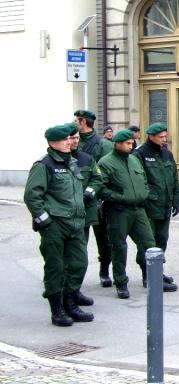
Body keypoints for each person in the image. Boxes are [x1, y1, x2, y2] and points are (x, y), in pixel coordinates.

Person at [24, 124, 95, 326]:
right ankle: (57, 311)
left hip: (75, 223)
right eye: (65, 139)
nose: (69, 142)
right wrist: (45, 220)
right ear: (52, 143)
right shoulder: (44, 165)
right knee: (55, 268)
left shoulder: (71, 162)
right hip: (55, 225)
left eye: (70, 139)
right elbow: (32, 196)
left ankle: (70, 303)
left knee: (79, 264)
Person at [92, 129, 155, 299]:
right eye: (127, 143)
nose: (131, 145)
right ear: (118, 144)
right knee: (119, 247)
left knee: (149, 243)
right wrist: (118, 197)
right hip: (119, 210)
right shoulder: (106, 162)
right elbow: (100, 187)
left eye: (132, 142)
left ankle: (152, 277)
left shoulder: (134, 160)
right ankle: (121, 282)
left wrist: (145, 193)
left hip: (138, 209)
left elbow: (143, 181)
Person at [132, 123, 179, 292]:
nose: (164, 139)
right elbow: (139, 180)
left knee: (161, 240)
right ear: (151, 136)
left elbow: (174, 177)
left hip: (165, 205)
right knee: (147, 242)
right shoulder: (140, 154)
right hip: (149, 206)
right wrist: (147, 197)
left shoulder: (167, 154)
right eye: (160, 137)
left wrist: (177, 198)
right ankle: (148, 275)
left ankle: (157, 271)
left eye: (165, 136)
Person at [74, 110, 113, 288]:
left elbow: (107, 172)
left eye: (76, 120)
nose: (74, 123)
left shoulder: (102, 144)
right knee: (78, 240)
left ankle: (104, 271)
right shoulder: (72, 141)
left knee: (104, 239)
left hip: (98, 200)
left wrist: (102, 196)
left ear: (83, 122)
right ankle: (74, 277)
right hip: (77, 200)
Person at [65, 123, 99, 306]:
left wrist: (91, 190)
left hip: (83, 215)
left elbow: (96, 177)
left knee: (80, 256)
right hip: (62, 218)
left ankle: (75, 290)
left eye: (78, 138)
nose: (76, 141)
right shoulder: (52, 162)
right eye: (72, 138)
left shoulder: (86, 158)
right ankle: (64, 294)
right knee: (64, 258)